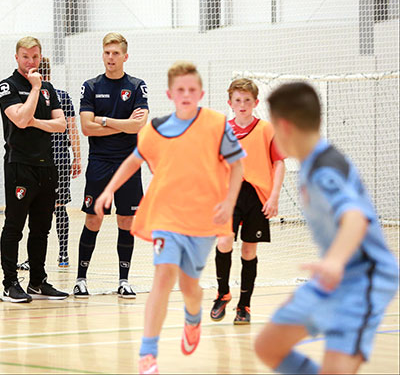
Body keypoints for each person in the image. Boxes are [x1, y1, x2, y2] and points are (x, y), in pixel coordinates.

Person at [94, 61, 244, 374]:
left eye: (192, 90)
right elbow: (133, 161)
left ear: (201, 93)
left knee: (190, 287)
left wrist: (229, 202)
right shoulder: (157, 129)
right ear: (170, 94)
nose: (186, 94)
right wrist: (108, 191)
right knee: (163, 277)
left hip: (203, 219)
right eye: (180, 90)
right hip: (166, 217)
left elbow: (237, 166)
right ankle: (148, 353)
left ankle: (193, 315)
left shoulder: (217, 124)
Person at [254, 82, 399, 374]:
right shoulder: (310, 163)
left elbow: (355, 217)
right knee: (268, 345)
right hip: (333, 279)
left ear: (284, 126)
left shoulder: (325, 169)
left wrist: (334, 261)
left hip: (364, 280)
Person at [74, 32, 149, 299]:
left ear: (125, 56)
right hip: (100, 163)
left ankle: (124, 280)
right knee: (94, 219)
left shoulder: (137, 85)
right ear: (102, 54)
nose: (111, 57)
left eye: (116, 53)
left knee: (126, 220)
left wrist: (103, 120)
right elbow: (85, 128)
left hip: (128, 162)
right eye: (107, 52)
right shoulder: (91, 86)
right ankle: (81, 279)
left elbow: (139, 125)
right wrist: (120, 124)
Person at [0, 36, 68, 303]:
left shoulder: (49, 88)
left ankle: (38, 281)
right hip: (19, 165)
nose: (31, 62)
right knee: (14, 227)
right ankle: (10, 284)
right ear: (17, 57)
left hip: (46, 166)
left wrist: (35, 119)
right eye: (26, 57)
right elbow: (20, 119)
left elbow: (60, 125)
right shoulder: (8, 86)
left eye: (35, 57)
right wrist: (35, 90)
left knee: (42, 228)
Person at [211, 78, 286, 325]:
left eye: (247, 100)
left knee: (248, 249)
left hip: (257, 196)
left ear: (255, 102)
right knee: (223, 241)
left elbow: (279, 163)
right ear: (230, 103)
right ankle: (223, 292)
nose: (242, 104)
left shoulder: (266, 129)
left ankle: (244, 305)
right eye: (237, 100)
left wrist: (274, 196)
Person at [17, 57, 82, 271]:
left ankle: (33, 259)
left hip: (39, 158)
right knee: (59, 206)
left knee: (35, 209)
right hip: (61, 158)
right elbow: (73, 129)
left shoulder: (30, 97)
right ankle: (63, 254)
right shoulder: (62, 96)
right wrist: (77, 157)